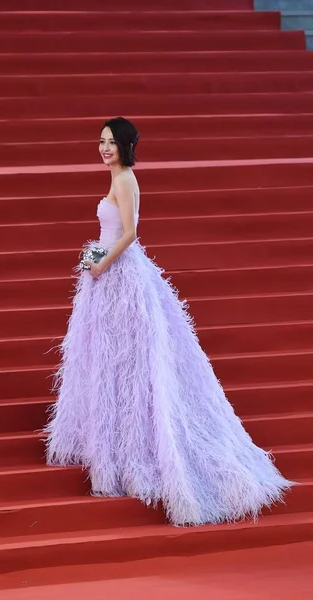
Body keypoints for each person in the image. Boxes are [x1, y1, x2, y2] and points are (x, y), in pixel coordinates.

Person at [44, 116, 293, 526]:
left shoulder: (125, 181)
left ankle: (140, 447)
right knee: (111, 362)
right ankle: (115, 443)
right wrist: (93, 260)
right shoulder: (115, 178)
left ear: (126, 146)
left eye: (112, 142)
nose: (105, 148)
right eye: (101, 141)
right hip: (105, 276)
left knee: (131, 361)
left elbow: (130, 235)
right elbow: (110, 233)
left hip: (120, 276)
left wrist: (100, 264)